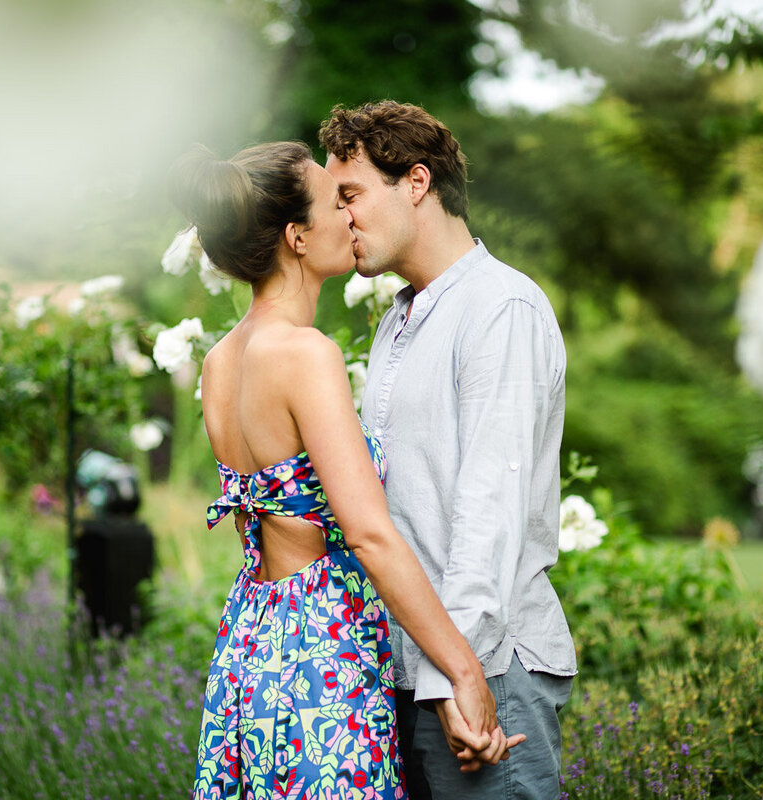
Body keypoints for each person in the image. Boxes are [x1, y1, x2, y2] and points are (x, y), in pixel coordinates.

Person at [170, 141, 524, 800]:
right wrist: (463, 670)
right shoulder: (305, 355)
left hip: (250, 641)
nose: (352, 215)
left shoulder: (221, 362)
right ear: (297, 236)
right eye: (337, 201)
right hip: (319, 654)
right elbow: (369, 535)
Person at [319, 101, 577, 800]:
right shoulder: (397, 323)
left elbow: (486, 516)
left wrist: (451, 679)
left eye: (352, 196)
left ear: (416, 183)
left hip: (485, 669)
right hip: (409, 670)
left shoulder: (501, 308)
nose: (341, 218)